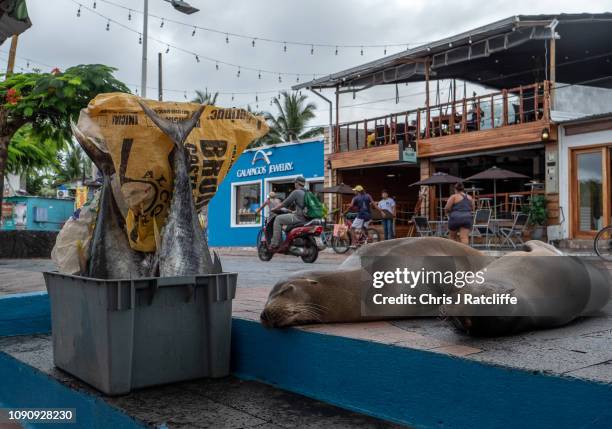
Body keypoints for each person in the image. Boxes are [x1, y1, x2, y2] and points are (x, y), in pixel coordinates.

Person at [270, 177, 307, 249]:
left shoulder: (296, 192)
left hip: (299, 217)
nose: (294, 184)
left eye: (295, 182)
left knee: (278, 219)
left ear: (297, 183)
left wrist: (274, 208)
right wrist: (293, 211)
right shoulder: (308, 192)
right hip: (307, 218)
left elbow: (284, 203)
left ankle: (275, 243)